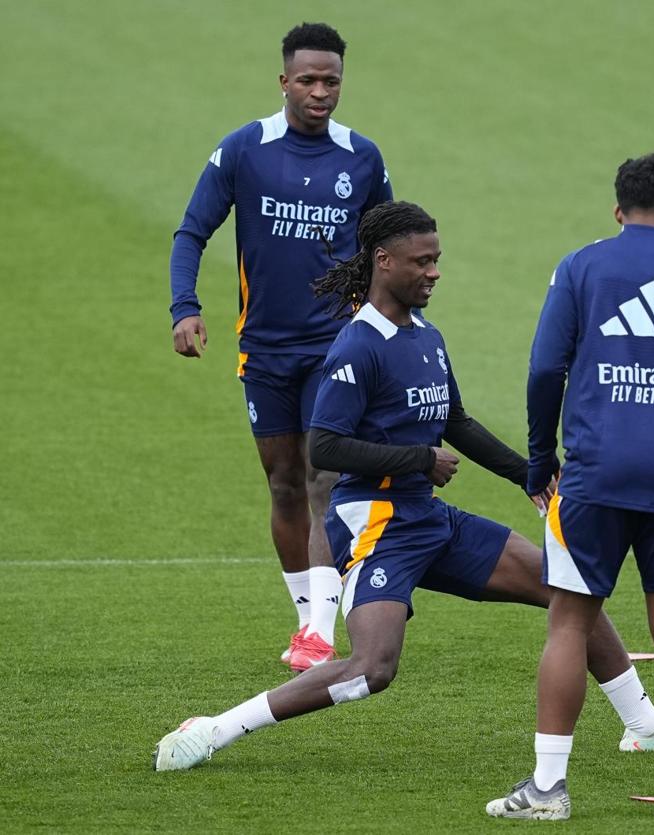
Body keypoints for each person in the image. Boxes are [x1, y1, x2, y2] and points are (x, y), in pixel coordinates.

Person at [153, 200, 654, 774]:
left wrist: (530, 472)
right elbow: (322, 449)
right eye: (422, 262)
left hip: (427, 517)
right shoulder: (358, 345)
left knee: (565, 587)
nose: (435, 272)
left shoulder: (425, 335)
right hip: (378, 522)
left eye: (437, 260)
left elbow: (455, 420)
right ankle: (215, 728)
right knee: (372, 669)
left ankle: (645, 728)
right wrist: (416, 459)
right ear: (384, 261)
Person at [487, 155, 654, 821]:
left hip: (594, 475)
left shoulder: (581, 267)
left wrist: (541, 458)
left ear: (617, 209)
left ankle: (549, 788)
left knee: (569, 621)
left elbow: (546, 366)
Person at [168, 23, 394, 671]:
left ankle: (321, 629)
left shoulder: (362, 157)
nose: (321, 92)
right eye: (309, 80)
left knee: (324, 477)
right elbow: (192, 231)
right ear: (284, 82)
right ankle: (308, 614)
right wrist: (186, 308)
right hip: (263, 351)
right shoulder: (246, 150)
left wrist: (386, 327)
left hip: (336, 348)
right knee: (285, 482)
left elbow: (392, 245)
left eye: (332, 81)